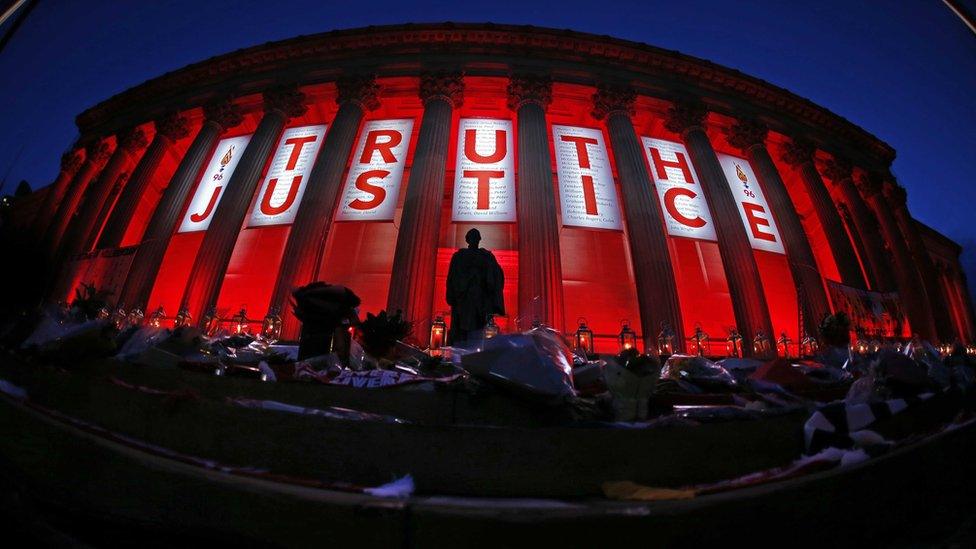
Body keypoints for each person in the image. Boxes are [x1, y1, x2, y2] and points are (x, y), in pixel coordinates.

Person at [446, 228, 505, 344]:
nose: (474, 240)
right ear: (468, 239)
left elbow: (497, 275)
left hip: (479, 300)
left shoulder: (486, 256)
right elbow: (452, 277)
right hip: (463, 299)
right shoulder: (459, 256)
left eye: (476, 237)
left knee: (478, 330)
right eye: (472, 237)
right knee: (461, 330)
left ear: (479, 239)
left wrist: (489, 285)